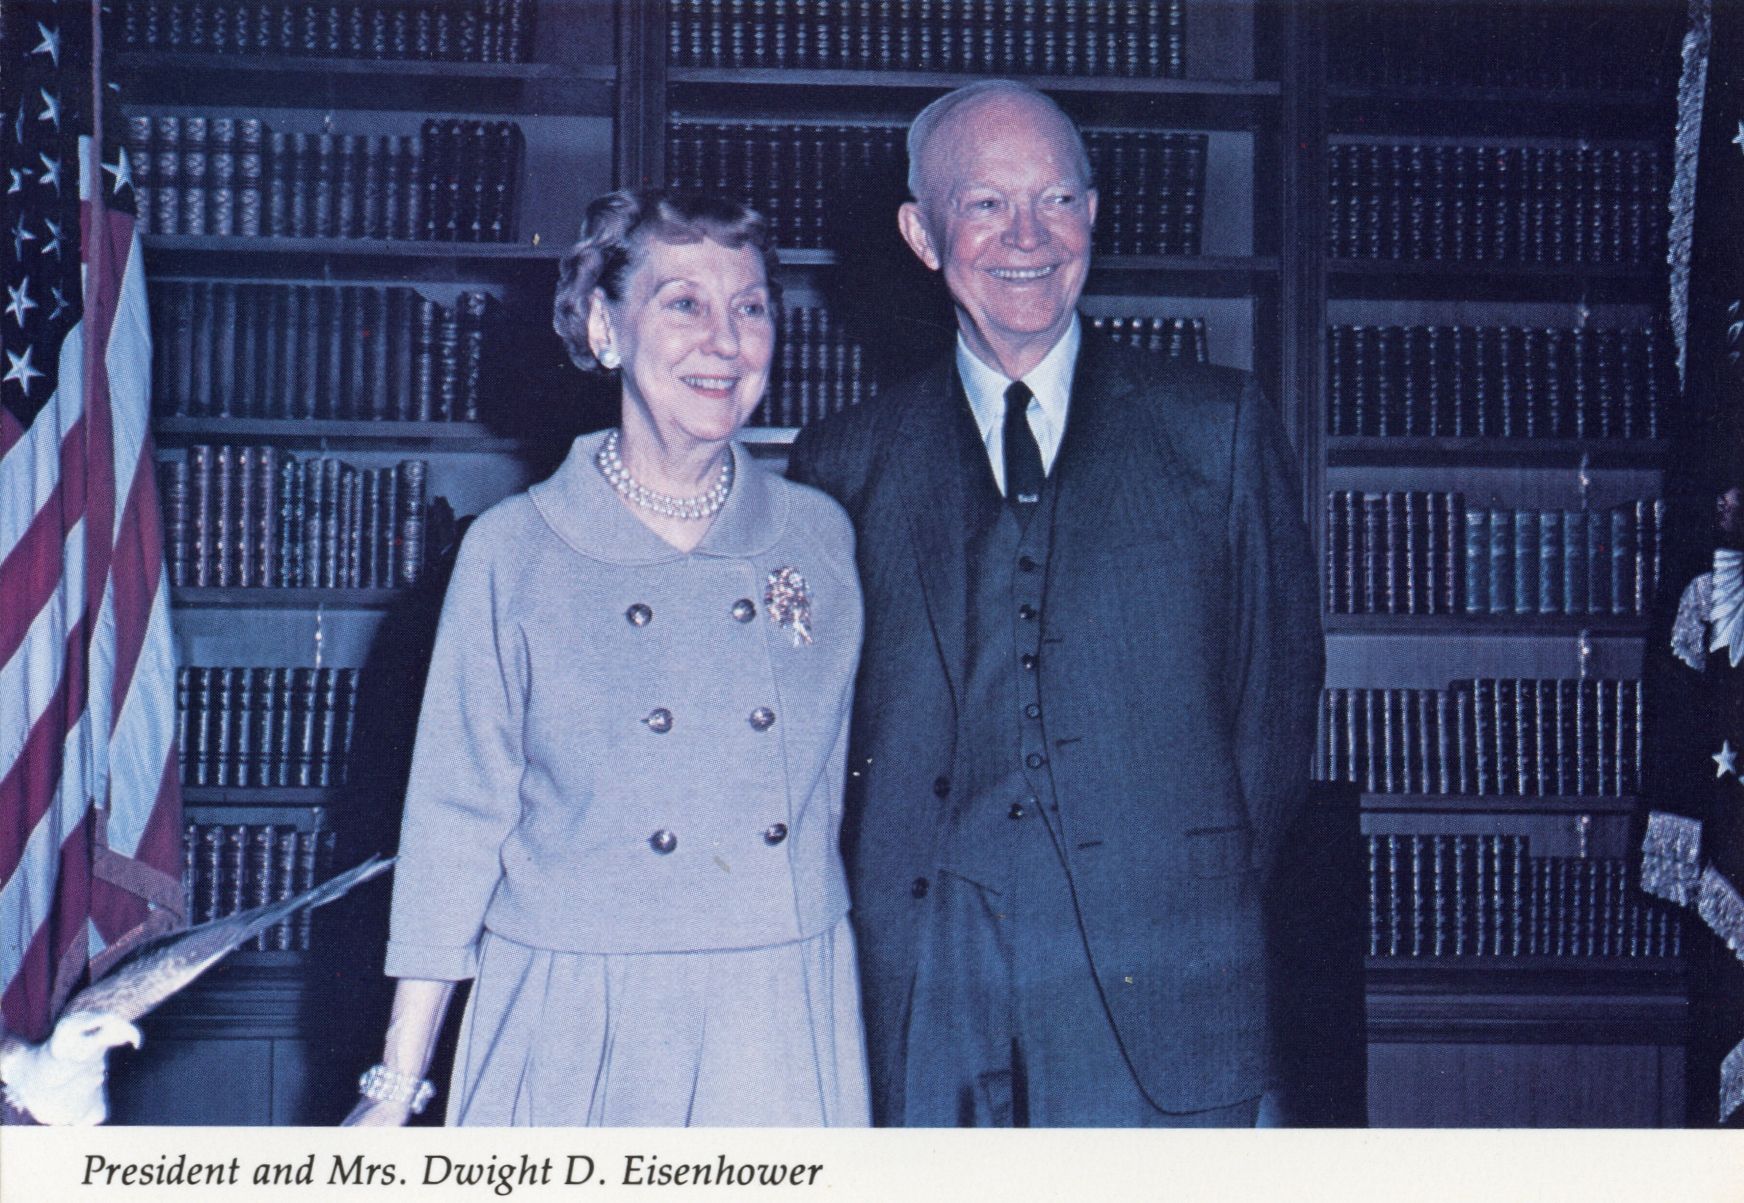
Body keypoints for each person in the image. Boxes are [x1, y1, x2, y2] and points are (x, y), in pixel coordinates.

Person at [787, 80, 1324, 1127]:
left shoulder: (1215, 430)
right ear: (922, 235)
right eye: (986, 204)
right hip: (927, 975)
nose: (1027, 236)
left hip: (1159, 967)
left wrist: (1178, 881)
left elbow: (1275, 705)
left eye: (1058, 199)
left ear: (1093, 214)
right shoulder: (843, 463)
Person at [345, 189, 869, 1127]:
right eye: (684, 303)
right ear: (603, 326)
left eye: (751, 307)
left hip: (774, 1009)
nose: (725, 341)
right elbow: (454, 825)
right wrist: (396, 1082)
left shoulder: (819, 539)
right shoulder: (514, 550)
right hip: (571, 1008)